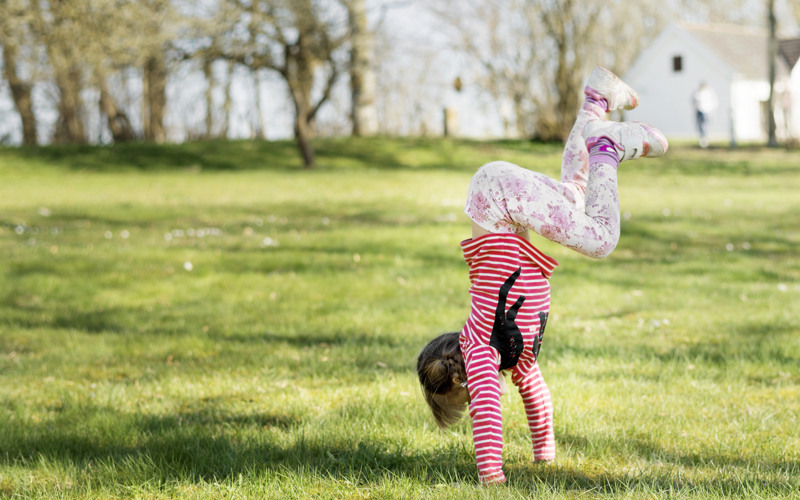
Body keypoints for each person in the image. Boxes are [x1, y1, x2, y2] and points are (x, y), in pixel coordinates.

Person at [416, 66, 668, 484]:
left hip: (497, 200)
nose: (477, 396)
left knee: (601, 239)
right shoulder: (513, 353)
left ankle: (607, 146)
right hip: (494, 196)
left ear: (458, 380)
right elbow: (535, 395)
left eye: (463, 398)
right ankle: (597, 101)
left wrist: (491, 478)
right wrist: (544, 456)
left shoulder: (480, 351)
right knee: (574, 194)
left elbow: (487, 417)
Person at [693, 81, 718, 148]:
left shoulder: (709, 92)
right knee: (700, 126)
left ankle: (705, 140)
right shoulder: (697, 93)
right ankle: (702, 139)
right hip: (699, 111)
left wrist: (711, 110)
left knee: (705, 126)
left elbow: (714, 102)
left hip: (706, 111)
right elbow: (694, 102)